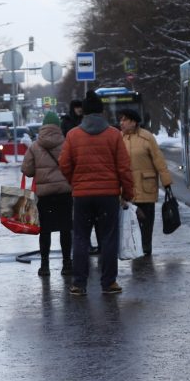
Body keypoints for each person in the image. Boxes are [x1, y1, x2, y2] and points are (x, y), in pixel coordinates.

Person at [59, 92, 134, 296]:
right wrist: (127, 192)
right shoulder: (114, 135)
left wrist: (75, 182)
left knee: (81, 239)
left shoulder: (73, 135)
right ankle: (109, 282)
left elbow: (64, 164)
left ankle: (79, 284)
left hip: (82, 196)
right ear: (102, 111)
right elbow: (124, 167)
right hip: (108, 196)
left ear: (84, 112)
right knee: (108, 238)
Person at [21, 111, 72, 277]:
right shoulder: (67, 144)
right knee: (66, 228)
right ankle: (67, 264)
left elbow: (27, 171)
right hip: (65, 194)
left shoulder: (35, 146)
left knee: (45, 230)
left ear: (43, 126)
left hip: (44, 196)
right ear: (57, 126)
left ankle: (45, 266)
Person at [118, 108, 172, 256]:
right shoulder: (118, 138)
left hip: (146, 186)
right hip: (127, 188)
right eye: (120, 120)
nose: (121, 123)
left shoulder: (147, 138)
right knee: (131, 221)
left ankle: (146, 246)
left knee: (147, 221)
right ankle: (136, 247)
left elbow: (159, 160)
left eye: (124, 120)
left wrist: (166, 182)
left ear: (134, 122)